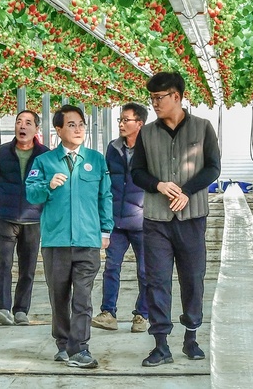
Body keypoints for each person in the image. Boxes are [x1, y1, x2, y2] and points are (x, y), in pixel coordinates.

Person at [131, 72, 220, 367]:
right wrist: (158, 185)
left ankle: (191, 335)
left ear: (177, 97)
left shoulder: (203, 128)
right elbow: (137, 171)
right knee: (156, 280)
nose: (155, 104)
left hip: (192, 217)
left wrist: (188, 190)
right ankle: (160, 344)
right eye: (152, 98)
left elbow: (213, 168)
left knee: (193, 278)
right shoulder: (146, 133)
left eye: (160, 98)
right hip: (156, 219)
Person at [26, 104, 113, 369]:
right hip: (56, 241)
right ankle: (63, 344)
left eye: (81, 125)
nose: (77, 129)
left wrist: (106, 230)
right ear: (58, 129)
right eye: (71, 125)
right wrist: (47, 185)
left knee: (83, 298)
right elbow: (31, 194)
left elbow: (105, 196)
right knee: (59, 296)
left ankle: (80, 348)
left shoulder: (95, 160)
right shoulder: (44, 162)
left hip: (87, 240)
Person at [0, 110, 49, 326]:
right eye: (19, 122)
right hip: (6, 217)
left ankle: (21, 310)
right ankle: (3, 308)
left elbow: (50, 185)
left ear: (36, 129)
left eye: (28, 123)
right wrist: (2, 203)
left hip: (33, 219)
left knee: (28, 266)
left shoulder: (45, 155)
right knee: (4, 262)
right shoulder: (1, 153)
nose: (22, 126)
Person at [91, 102, 149, 333]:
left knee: (145, 270)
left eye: (127, 120)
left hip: (143, 221)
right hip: (116, 220)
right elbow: (106, 182)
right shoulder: (113, 148)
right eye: (120, 120)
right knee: (111, 267)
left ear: (140, 124)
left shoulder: (150, 149)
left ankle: (142, 315)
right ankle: (108, 313)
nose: (122, 124)